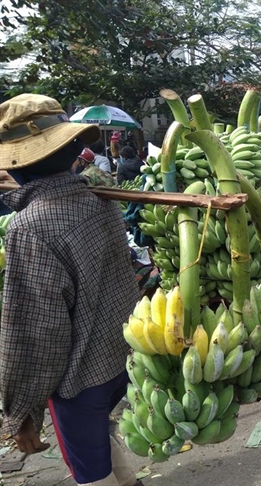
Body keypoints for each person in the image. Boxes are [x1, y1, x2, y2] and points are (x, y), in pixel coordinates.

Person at [0, 94, 142, 486]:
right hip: (120, 357)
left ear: (19, 164)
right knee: (102, 444)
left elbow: (34, 332)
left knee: (89, 469)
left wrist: (21, 412)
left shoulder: (30, 226)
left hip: (79, 375)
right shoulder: (100, 199)